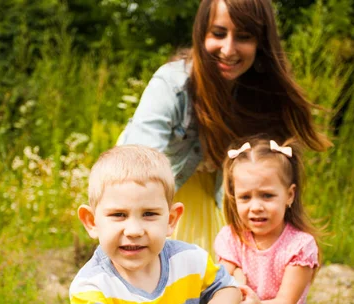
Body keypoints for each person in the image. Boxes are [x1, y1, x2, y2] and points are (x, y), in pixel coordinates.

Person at [117, 0, 332, 257]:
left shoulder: (263, 92)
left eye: (243, 37)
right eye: (218, 34)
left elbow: (272, 182)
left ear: (260, 42)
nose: (228, 49)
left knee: (229, 285)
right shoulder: (172, 85)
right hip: (167, 199)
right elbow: (136, 167)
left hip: (227, 203)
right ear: (201, 33)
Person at [63, 144, 241, 304]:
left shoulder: (190, 261)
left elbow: (227, 287)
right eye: (118, 215)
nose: (134, 229)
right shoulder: (92, 284)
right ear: (92, 222)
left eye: (149, 214)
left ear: (170, 219)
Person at [203, 138, 338, 304]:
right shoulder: (232, 237)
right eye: (245, 197)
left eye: (267, 195)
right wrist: (236, 279)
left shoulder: (299, 246)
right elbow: (221, 277)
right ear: (233, 198)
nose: (256, 206)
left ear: (289, 195)